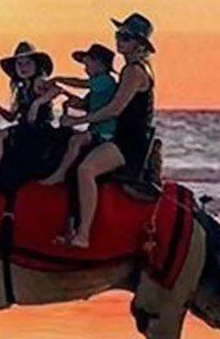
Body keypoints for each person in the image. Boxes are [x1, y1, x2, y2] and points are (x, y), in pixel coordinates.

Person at [58, 13, 159, 250]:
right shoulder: (130, 69)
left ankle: (83, 234)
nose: (119, 40)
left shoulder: (134, 71)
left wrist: (77, 121)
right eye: (118, 35)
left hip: (129, 142)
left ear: (139, 44)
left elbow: (114, 109)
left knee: (86, 169)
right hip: (124, 137)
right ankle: (70, 225)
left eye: (126, 36)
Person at [0, 42, 66, 227]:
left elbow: (58, 90)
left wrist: (37, 103)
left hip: (39, 130)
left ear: (36, 66)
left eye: (27, 64)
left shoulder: (39, 82)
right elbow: (11, 117)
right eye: (19, 64)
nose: (23, 68)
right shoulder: (20, 89)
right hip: (23, 128)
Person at [41, 42, 119, 190]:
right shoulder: (97, 87)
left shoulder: (106, 81)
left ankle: (61, 173)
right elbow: (84, 104)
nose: (85, 69)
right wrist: (64, 93)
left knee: (77, 140)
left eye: (88, 65)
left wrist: (58, 79)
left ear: (99, 64)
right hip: (94, 130)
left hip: (105, 133)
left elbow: (81, 83)